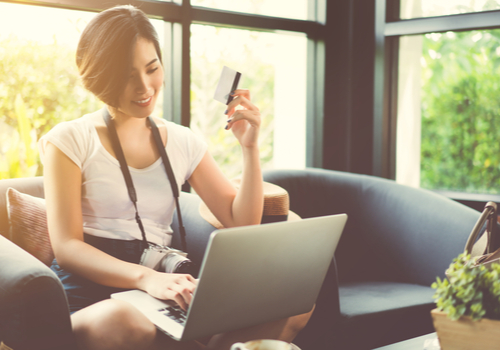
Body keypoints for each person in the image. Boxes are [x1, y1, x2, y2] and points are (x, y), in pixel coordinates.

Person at [39, 5, 312, 350]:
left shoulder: (182, 141)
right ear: (100, 76)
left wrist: (249, 148)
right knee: (125, 322)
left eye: (152, 68)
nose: (144, 86)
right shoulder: (70, 139)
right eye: (126, 75)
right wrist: (146, 279)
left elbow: (241, 222)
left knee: (293, 304)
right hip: (90, 299)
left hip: (159, 294)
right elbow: (67, 248)